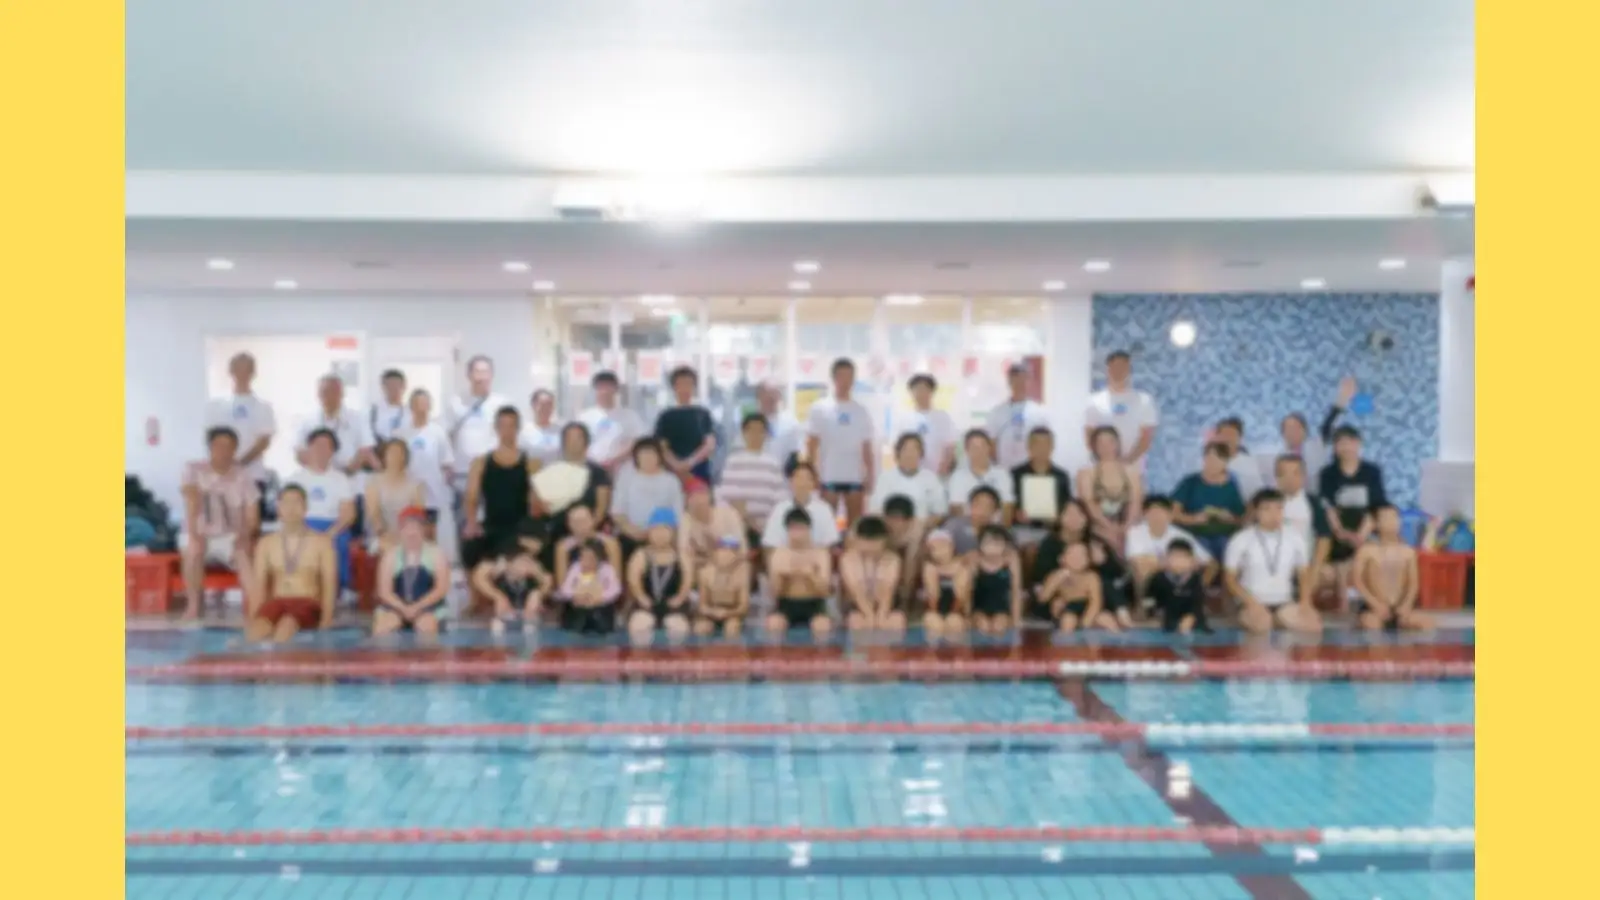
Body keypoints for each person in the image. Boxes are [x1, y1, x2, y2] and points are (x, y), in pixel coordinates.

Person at [179, 426, 261, 620]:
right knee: (193, 549)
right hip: (198, 531)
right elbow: (192, 503)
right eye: (218, 445)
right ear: (209, 448)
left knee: (243, 553)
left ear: (235, 449)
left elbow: (253, 517)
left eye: (228, 446)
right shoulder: (193, 470)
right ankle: (193, 607)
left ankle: (258, 610)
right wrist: (194, 533)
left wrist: (244, 536)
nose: (223, 451)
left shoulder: (244, 476)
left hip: (231, 534)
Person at [246, 485, 336, 642]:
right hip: (278, 601)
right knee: (256, 632)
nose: (291, 508)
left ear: (306, 508)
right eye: (286, 503)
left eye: (296, 503)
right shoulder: (266, 543)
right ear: (278, 508)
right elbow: (258, 586)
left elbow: (330, 586)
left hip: (307, 602)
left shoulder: (322, 542)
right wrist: (253, 618)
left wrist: (326, 621)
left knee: (286, 626)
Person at [1225, 489, 1321, 634]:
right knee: (1262, 625)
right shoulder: (1241, 539)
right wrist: (1251, 603)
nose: (1274, 514)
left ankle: (1278, 619)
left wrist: (1305, 603)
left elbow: (1303, 574)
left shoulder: (1295, 537)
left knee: (1313, 626)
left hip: (1284, 601)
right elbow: (1230, 579)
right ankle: (1274, 620)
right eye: (1267, 509)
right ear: (1256, 512)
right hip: (1252, 601)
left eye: (1279, 508)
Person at [1315, 426, 1390, 602]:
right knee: (1327, 571)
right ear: (1335, 447)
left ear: (1358, 444)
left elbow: (1376, 507)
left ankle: (1367, 595)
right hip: (1337, 533)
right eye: (1340, 443)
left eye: (1350, 442)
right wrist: (1340, 532)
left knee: (1371, 555)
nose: (1346, 447)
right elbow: (1327, 507)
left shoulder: (1372, 472)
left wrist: (1361, 536)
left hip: (1364, 531)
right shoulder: (1327, 474)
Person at [462, 407, 539, 572]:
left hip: (521, 527)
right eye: (503, 426)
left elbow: (536, 502)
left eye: (511, 426)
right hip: (492, 526)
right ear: (496, 428)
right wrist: (471, 523)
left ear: (518, 428)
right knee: (469, 546)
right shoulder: (481, 463)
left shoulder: (531, 463)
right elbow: (471, 497)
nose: (507, 431)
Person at [203, 352, 276, 517]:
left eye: (247, 369)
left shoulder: (264, 407)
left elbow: (264, 441)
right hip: (220, 477)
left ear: (253, 372)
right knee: (221, 521)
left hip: (253, 476)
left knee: (251, 524)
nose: (242, 373)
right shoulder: (216, 406)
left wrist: (239, 464)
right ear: (231, 371)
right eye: (238, 368)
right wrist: (226, 465)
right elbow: (211, 439)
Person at [805, 357, 875, 525]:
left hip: (854, 477)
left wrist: (870, 474)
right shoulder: (820, 408)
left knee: (855, 526)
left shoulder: (861, 411)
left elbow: (866, 446)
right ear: (834, 378)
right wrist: (812, 474)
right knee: (826, 523)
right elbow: (811, 445)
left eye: (849, 376)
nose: (845, 381)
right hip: (828, 476)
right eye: (841, 376)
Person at [287, 428, 356, 592]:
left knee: (340, 542)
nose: (321, 450)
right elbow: (289, 511)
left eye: (327, 446)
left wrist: (330, 533)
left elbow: (348, 514)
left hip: (334, 526)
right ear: (309, 448)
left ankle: (339, 589)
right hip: (303, 525)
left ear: (333, 452)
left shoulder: (341, 479)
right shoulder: (296, 479)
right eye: (317, 445)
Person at [447, 355, 512, 525]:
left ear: (491, 375)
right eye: (477, 371)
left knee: (495, 523)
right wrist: (448, 465)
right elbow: (447, 435)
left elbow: (509, 438)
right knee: (464, 525)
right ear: (469, 375)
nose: (481, 376)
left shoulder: (502, 404)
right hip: (463, 476)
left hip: (493, 473)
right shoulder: (456, 403)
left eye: (485, 372)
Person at [395, 388, 457, 559]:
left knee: (429, 534)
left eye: (425, 403)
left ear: (430, 406)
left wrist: (447, 486)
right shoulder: (401, 433)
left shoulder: (438, 432)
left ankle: (430, 568)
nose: (421, 408)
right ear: (411, 407)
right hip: (407, 494)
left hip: (431, 495)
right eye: (417, 404)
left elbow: (447, 462)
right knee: (407, 533)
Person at [372, 507, 451, 637]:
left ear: (423, 529)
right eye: (407, 528)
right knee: (383, 628)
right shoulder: (390, 556)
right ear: (400, 530)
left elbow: (441, 589)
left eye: (416, 528)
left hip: (428, 607)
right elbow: (384, 592)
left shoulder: (436, 554)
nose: (411, 533)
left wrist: (417, 607)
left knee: (426, 627)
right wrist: (403, 608)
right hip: (396, 606)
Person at [1352, 505, 1432, 632]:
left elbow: (1413, 584)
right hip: (1373, 607)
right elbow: (1357, 582)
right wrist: (1375, 604)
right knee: (1371, 624)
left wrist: (1406, 604)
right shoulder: (1366, 551)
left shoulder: (1408, 552)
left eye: (1395, 517)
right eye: (1386, 518)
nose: (1392, 521)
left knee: (1426, 623)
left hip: (1401, 605)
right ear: (1376, 524)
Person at [1269, 376, 1356, 492]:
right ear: (1282, 434)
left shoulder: (1316, 446)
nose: (1292, 432)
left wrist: (1342, 399)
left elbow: (1328, 425)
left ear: (1305, 431)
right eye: (1287, 429)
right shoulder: (1278, 457)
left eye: (1296, 428)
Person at [1125, 495, 1214, 607]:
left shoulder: (1182, 535)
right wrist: (1174, 563)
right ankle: (1142, 607)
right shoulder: (1135, 532)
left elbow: (1211, 563)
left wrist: (1200, 587)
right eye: (1153, 512)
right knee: (1142, 569)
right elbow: (1137, 561)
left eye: (1162, 512)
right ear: (1144, 514)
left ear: (1170, 515)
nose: (1157, 516)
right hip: (1148, 580)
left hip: (1176, 579)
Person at [471, 518, 553, 635]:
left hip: (527, 605)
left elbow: (547, 580)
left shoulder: (538, 562)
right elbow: (479, 576)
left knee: (532, 608)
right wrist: (497, 596)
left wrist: (538, 594)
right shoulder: (502, 558)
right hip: (506, 600)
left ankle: (528, 617)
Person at [718, 413, 789, 545]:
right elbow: (726, 497)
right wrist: (747, 521)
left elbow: (780, 500)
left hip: (766, 528)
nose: (755, 435)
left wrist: (765, 527)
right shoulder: (733, 462)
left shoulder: (773, 464)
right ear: (743, 433)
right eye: (751, 430)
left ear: (766, 434)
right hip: (736, 524)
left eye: (760, 431)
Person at [1172, 442, 1247, 563]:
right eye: (1209, 458)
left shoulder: (1232, 486)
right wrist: (1193, 519)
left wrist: (1230, 518)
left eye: (1217, 459)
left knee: (1227, 549)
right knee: (1203, 548)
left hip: (1224, 534)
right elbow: (1173, 513)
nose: (1212, 463)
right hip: (1195, 533)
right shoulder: (1190, 482)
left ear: (1225, 463)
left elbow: (1242, 519)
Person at [611, 438, 686, 558]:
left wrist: (660, 535)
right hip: (631, 536)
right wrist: (633, 531)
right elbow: (617, 513)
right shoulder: (626, 478)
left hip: (663, 537)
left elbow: (678, 515)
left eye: (651, 454)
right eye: (643, 454)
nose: (647, 458)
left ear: (659, 456)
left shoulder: (671, 481)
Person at [766, 508, 835, 637]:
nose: (796, 534)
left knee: (822, 626)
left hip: (814, 604)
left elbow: (825, 591)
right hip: (786, 603)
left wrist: (809, 575)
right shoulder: (779, 554)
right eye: (793, 529)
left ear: (808, 529)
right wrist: (783, 577)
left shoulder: (820, 554)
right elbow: (774, 593)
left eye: (800, 529)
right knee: (774, 624)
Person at [626, 507, 692, 640]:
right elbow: (633, 581)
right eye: (656, 530)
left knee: (677, 627)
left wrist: (679, 598)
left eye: (665, 530)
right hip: (646, 604)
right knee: (639, 626)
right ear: (649, 532)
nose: (660, 534)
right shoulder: (641, 555)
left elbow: (688, 581)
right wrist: (641, 598)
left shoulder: (681, 555)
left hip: (674, 605)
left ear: (673, 532)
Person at [1084, 350, 1159, 464]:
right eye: (1115, 367)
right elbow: (1089, 436)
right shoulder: (1094, 402)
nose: (1119, 371)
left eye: (1123, 367)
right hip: (1103, 468)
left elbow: (1146, 438)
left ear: (1129, 370)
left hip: (1133, 468)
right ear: (1108, 370)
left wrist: (1127, 461)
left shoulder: (1144, 401)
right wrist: (1107, 463)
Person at [1076, 426, 1142, 551]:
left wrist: (1125, 528)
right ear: (1094, 446)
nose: (1106, 447)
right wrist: (1109, 528)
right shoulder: (1086, 473)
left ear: (1118, 444)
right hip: (1097, 528)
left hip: (1127, 527)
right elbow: (1089, 504)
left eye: (1110, 442)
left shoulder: (1132, 472)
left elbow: (1136, 503)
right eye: (1101, 443)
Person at [296, 374, 376, 476]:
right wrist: (318, 469)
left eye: (333, 392)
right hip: (316, 477)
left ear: (342, 394)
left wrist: (349, 469)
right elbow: (299, 452)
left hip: (350, 477)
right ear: (318, 394)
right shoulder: (307, 421)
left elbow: (366, 451)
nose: (328, 396)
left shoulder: (358, 419)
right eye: (324, 392)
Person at [839, 516, 905, 633]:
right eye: (866, 541)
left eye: (875, 541)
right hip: (856, 607)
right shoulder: (848, 559)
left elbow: (887, 591)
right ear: (857, 539)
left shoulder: (892, 559)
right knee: (857, 621)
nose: (870, 546)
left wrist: (881, 615)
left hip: (884, 605)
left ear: (884, 540)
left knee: (897, 620)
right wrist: (869, 615)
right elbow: (856, 591)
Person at [654, 366, 718, 483]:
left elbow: (709, 444)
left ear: (694, 387)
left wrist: (690, 462)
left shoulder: (702, 414)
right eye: (680, 384)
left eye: (689, 384)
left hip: (698, 471)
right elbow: (661, 446)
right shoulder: (665, 416)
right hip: (671, 472)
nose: (685, 389)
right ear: (673, 387)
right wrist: (676, 464)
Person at [868, 433, 948, 526]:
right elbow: (875, 512)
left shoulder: (931, 479)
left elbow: (940, 512)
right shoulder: (885, 478)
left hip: (922, 527)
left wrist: (923, 526)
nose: (910, 454)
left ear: (921, 454)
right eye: (905, 450)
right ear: (898, 453)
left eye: (914, 450)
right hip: (891, 527)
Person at [984, 363, 1052, 470]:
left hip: (1031, 471)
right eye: (1016, 380)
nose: (1020, 384)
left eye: (1024, 380)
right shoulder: (997, 412)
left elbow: (1046, 443)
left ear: (1029, 382)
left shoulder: (1039, 412)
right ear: (1009, 382)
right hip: (1004, 469)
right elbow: (992, 443)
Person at [364, 439, 427, 554]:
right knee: (391, 549)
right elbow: (373, 515)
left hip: (408, 534)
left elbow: (418, 516)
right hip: (380, 535)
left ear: (405, 457)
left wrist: (405, 534)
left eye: (399, 453)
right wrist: (383, 533)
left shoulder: (416, 484)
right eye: (391, 453)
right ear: (384, 456)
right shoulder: (373, 482)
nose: (395, 457)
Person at [578, 370, 646, 476]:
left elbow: (637, 441)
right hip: (591, 470)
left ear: (616, 389)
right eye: (601, 387)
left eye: (608, 386)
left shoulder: (630, 416)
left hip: (622, 471)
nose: (605, 391)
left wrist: (615, 460)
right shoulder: (584, 417)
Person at [1039, 542, 1117, 634]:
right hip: (1068, 608)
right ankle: (1067, 640)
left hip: (1087, 607)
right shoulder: (1056, 575)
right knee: (1068, 620)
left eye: (1082, 555)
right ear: (1062, 559)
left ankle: (1118, 639)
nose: (1078, 558)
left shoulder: (1091, 577)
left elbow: (1095, 602)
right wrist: (1056, 581)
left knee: (1107, 619)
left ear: (1088, 560)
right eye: (1072, 555)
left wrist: (1086, 622)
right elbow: (1043, 598)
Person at [761, 462, 841, 551]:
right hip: (786, 556)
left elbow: (831, 543)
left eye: (807, 478)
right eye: (798, 477)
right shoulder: (779, 509)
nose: (802, 483)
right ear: (791, 482)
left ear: (813, 483)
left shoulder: (824, 510)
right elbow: (770, 543)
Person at [1011, 427, 1073, 539]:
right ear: (1029, 447)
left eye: (1046, 445)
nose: (1041, 449)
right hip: (1023, 529)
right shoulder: (1015, 474)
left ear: (1052, 447)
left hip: (1054, 531)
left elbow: (1067, 506)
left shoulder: (1061, 476)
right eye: (1037, 445)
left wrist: (1058, 517)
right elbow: (1008, 506)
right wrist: (1016, 514)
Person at [890, 374, 958, 476]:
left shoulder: (943, 418)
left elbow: (950, 447)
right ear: (911, 392)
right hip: (909, 474)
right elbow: (896, 448)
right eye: (917, 389)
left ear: (932, 392)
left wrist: (944, 468)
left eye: (925, 389)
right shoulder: (903, 419)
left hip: (937, 474)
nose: (921, 393)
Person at [679, 479, 747, 573]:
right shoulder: (686, 519)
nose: (698, 500)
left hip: (735, 561)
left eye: (701, 494)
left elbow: (739, 546)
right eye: (692, 496)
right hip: (704, 565)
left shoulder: (728, 514)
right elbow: (684, 550)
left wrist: (716, 546)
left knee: (725, 557)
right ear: (687, 501)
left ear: (709, 496)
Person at [946, 430, 1015, 522]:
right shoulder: (957, 477)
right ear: (967, 451)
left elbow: (1007, 507)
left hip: (996, 526)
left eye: (983, 446)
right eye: (974, 448)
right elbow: (956, 509)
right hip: (968, 525)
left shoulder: (1002, 474)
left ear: (989, 448)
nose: (979, 452)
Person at [1146, 538, 1211, 634]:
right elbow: (1149, 599)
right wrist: (1152, 614)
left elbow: (1198, 603)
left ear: (1191, 561)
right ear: (1166, 559)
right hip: (1166, 621)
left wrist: (1190, 617)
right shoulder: (1157, 578)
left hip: (1192, 622)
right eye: (1174, 557)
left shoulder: (1196, 579)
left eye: (1183, 557)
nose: (1179, 562)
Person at [558, 539, 623, 635]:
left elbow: (616, 589)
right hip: (579, 606)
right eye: (583, 557)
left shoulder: (607, 569)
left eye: (590, 558)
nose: (586, 562)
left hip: (600, 606)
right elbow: (565, 588)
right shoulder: (575, 568)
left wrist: (600, 598)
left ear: (598, 559)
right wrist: (576, 596)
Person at [968, 525, 1022, 635]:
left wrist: (1016, 619)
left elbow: (1016, 592)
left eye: (997, 544)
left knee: (998, 626)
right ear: (980, 545)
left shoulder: (1011, 560)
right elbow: (967, 591)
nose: (992, 547)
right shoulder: (974, 560)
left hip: (1002, 610)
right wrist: (967, 616)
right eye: (988, 543)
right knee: (983, 625)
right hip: (979, 610)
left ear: (1005, 545)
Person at [552, 505, 624, 586]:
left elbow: (616, 579)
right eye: (575, 522)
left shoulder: (609, 543)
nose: (580, 526)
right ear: (569, 525)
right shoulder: (563, 547)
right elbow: (562, 583)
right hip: (574, 589)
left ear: (592, 520)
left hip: (604, 588)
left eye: (583, 521)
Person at [696, 536, 751, 637]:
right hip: (711, 614)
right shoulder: (706, 573)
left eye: (731, 551)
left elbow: (743, 607)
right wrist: (713, 612)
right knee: (701, 627)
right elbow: (702, 606)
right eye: (723, 550)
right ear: (716, 553)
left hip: (733, 615)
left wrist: (727, 613)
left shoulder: (742, 574)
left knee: (732, 627)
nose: (726, 554)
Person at [920, 530, 971, 638]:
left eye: (943, 547)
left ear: (951, 547)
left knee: (954, 622)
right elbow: (933, 599)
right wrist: (933, 576)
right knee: (934, 622)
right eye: (934, 549)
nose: (939, 552)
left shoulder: (962, 567)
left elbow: (961, 598)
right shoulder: (929, 568)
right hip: (935, 611)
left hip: (957, 612)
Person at [742, 380, 802, 468]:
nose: (770, 398)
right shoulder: (750, 423)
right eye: (766, 394)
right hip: (754, 471)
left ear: (779, 397)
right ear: (758, 397)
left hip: (781, 472)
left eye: (774, 394)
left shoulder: (790, 423)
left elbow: (796, 454)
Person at [880, 495, 928, 604]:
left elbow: (911, 559)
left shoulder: (917, 528)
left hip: (910, 554)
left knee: (915, 555)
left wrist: (906, 591)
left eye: (899, 520)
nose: (895, 524)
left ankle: (906, 598)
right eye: (891, 519)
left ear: (909, 520)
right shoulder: (877, 523)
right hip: (886, 554)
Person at [1212, 417, 1265, 502]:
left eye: (1231, 435)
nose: (1227, 439)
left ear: (1240, 438)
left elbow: (1257, 493)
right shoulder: (1210, 462)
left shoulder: (1249, 463)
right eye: (1224, 435)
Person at [947, 485, 1002, 558]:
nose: (982, 511)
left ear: (995, 511)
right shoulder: (954, 526)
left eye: (987, 507)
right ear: (970, 506)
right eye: (978, 505)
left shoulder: (999, 533)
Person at [519, 389, 565, 465]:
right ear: (533, 406)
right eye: (543, 405)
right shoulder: (524, 433)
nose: (546, 409)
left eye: (549, 405)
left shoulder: (561, 431)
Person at [370, 369, 409, 444]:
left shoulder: (409, 413)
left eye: (397, 385)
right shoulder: (372, 412)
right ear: (383, 387)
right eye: (390, 385)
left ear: (404, 386)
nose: (393, 389)